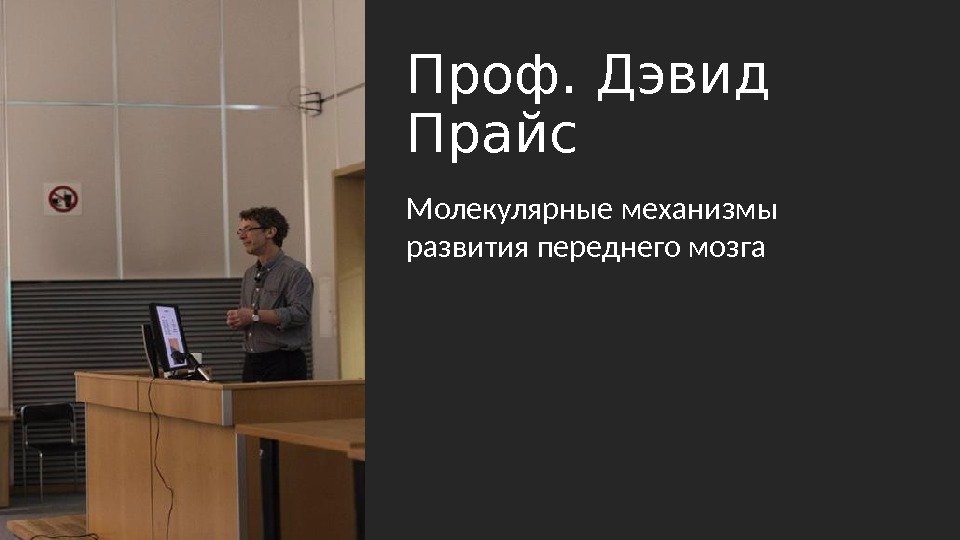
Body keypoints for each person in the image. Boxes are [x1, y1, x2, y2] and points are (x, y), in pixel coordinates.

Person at [226, 207, 313, 382]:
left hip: (283, 362)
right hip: (252, 361)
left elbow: (300, 313)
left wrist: (254, 315)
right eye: (240, 231)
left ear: (270, 232)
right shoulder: (249, 274)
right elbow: (249, 314)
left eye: (248, 229)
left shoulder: (295, 271)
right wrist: (239, 319)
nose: (242, 236)